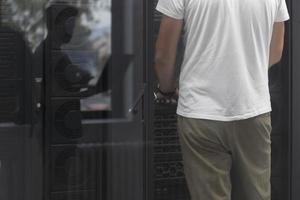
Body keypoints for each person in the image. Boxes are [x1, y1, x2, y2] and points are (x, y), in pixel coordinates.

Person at [154, 0, 290, 199]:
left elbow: (163, 56)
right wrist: (247, 72)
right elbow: (276, 51)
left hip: (200, 112)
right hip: (253, 109)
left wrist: (166, 90)